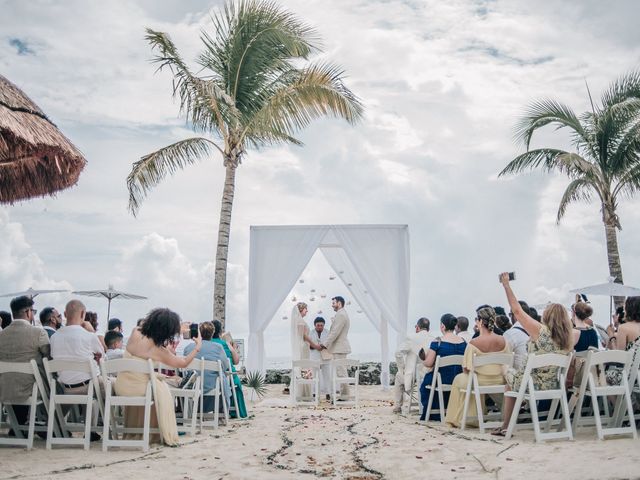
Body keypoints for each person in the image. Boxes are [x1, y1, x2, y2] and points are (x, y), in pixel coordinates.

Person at [492, 272, 573, 436]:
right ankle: (509, 421)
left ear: (547, 316)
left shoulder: (541, 332)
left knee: (506, 371)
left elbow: (517, 311)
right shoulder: (567, 339)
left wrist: (506, 285)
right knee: (512, 376)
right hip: (554, 384)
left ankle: (506, 425)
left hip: (531, 384)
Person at [116, 308, 203, 445]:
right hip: (140, 390)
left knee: (157, 382)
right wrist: (198, 346)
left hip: (121, 386)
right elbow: (184, 362)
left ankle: (136, 430)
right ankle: (154, 432)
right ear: (167, 332)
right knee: (161, 387)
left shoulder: (135, 333)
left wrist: (175, 328)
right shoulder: (159, 351)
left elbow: (145, 328)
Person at [445, 305, 510, 428]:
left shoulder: (474, 343)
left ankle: (461, 419)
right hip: (500, 380)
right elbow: (507, 363)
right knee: (468, 379)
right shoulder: (504, 340)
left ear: (480, 321)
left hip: (479, 381)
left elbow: (466, 368)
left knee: (459, 379)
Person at [0, 296, 50, 427]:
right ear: (28, 312)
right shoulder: (38, 332)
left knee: (17, 378)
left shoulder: (1, 335)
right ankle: (50, 425)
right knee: (53, 382)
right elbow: (49, 357)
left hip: (4, 389)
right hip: (30, 390)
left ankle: (19, 426)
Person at [50, 300, 105, 396]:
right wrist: (92, 331)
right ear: (83, 314)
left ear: (65, 314)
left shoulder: (54, 337)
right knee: (114, 385)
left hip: (66, 388)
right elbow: (103, 357)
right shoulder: (89, 336)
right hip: (89, 387)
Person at [419, 314, 466, 420]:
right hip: (458, 379)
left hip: (440, 379)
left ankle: (435, 412)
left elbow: (429, 363)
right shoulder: (464, 342)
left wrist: (423, 359)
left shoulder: (438, 342)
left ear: (443, 326)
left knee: (425, 385)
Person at [184, 321, 231, 412]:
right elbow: (225, 367)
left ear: (199, 332)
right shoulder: (218, 347)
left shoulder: (189, 347)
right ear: (212, 333)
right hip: (212, 386)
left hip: (192, 386)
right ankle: (220, 411)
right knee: (222, 378)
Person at [394, 317, 437, 413]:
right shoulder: (434, 339)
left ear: (417, 327)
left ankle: (398, 406)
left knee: (398, 376)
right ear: (428, 329)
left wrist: (402, 368)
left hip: (413, 376)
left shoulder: (412, 338)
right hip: (430, 374)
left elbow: (398, 353)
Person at [605, 297, 640, 404]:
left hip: (631, 377)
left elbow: (619, 358)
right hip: (638, 376)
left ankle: (620, 413)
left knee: (601, 377)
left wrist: (611, 336)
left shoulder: (624, 328)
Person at [211, 320, 247, 418]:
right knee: (236, 382)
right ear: (220, 332)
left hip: (210, 379)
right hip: (227, 378)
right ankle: (235, 411)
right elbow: (236, 361)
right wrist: (233, 348)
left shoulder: (204, 344)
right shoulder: (225, 344)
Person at [321, 296, 352, 401]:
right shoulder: (341, 314)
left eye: (333, 303)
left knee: (341, 372)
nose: (332, 305)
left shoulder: (341, 314)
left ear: (339, 303)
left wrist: (325, 344)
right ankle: (345, 395)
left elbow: (335, 332)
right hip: (339, 347)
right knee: (341, 372)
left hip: (340, 348)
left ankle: (345, 396)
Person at [290, 302, 321, 400]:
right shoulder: (300, 321)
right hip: (303, 347)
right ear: (301, 310)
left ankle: (305, 393)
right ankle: (304, 394)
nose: (307, 311)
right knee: (304, 366)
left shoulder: (299, 320)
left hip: (304, 347)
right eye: (305, 309)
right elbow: (303, 336)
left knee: (304, 367)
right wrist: (315, 345)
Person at [503, 301, 532, 371]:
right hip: (537, 377)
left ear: (516, 315)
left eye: (510, 314)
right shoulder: (538, 331)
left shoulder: (510, 334)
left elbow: (503, 359)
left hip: (521, 379)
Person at [309, 317, 330, 399]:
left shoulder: (327, 332)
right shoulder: (311, 333)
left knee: (327, 376)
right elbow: (309, 345)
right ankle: (314, 393)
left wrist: (323, 346)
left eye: (321, 325)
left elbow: (330, 344)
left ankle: (328, 393)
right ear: (315, 325)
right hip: (314, 357)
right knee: (314, 376)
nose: (320, 327)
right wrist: (316, 346)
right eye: (318, 325)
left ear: (324, 325)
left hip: (326, 357)